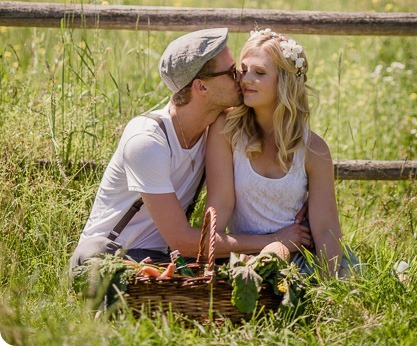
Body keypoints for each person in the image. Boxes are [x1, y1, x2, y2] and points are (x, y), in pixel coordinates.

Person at [69, 28, 311, 273]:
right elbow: (182, 240)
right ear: (201, 87)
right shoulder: (148, 141)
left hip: (166, 261)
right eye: (230, 72)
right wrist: (274, 239)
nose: (241, 77)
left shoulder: (215, 132)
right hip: (110, 257)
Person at [205, 28, 360, 278]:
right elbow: (215, 220)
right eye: (243, 70)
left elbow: (326, 230)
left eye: (260, 72)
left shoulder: (313, 150)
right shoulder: (227, 130)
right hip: (245, 260)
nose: (245, 80)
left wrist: (327, 287)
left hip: (300, 261)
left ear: (285, 81)